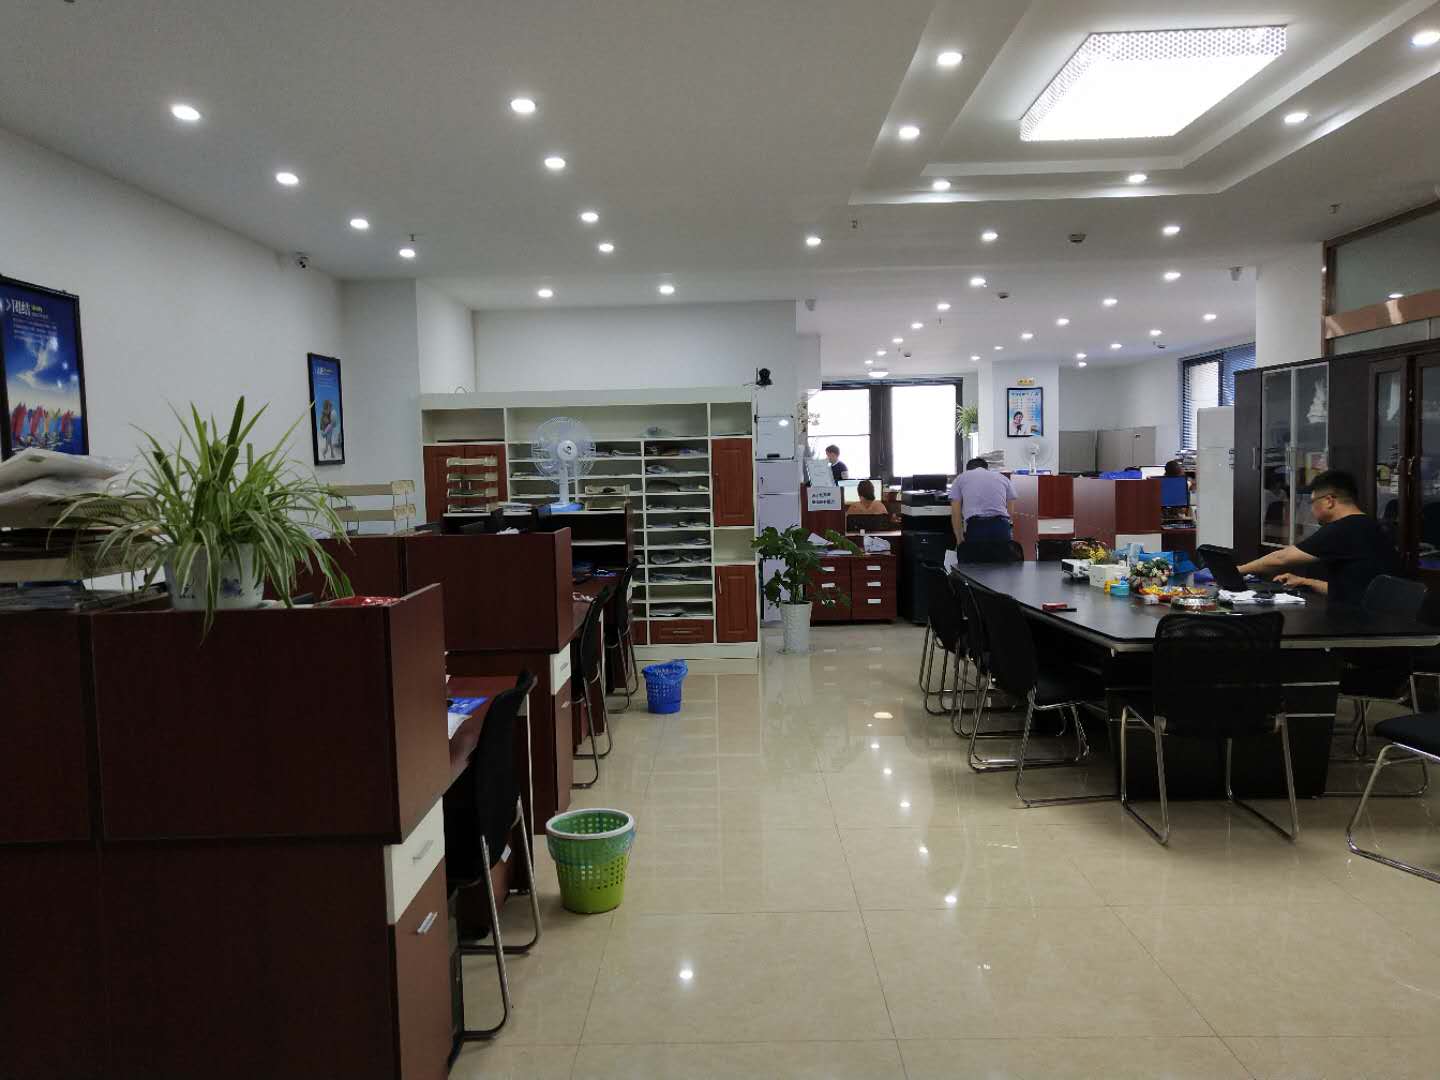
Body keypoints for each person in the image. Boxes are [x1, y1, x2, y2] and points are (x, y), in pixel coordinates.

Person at [1237, 469, 1401, 605]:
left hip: (1360, 624)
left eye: (1312, 502)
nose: (1311, 509)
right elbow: (1353, 589)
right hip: (1380, 618)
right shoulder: (1369, 525)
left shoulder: (1342, 529)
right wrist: (1305, 581)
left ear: (1329, 501)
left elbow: (1281, 558)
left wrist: (1238, 570)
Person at [949, 457, 1016, 544]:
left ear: (967, 470)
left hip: (977, 528)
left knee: (977, 553)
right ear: (986, 468)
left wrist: (959, 539)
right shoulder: (1003, 478)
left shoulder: (960, 478)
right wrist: (1008, 527)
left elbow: (956, 513)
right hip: (1001, 527)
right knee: (1001, 553)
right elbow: (1011, 508)